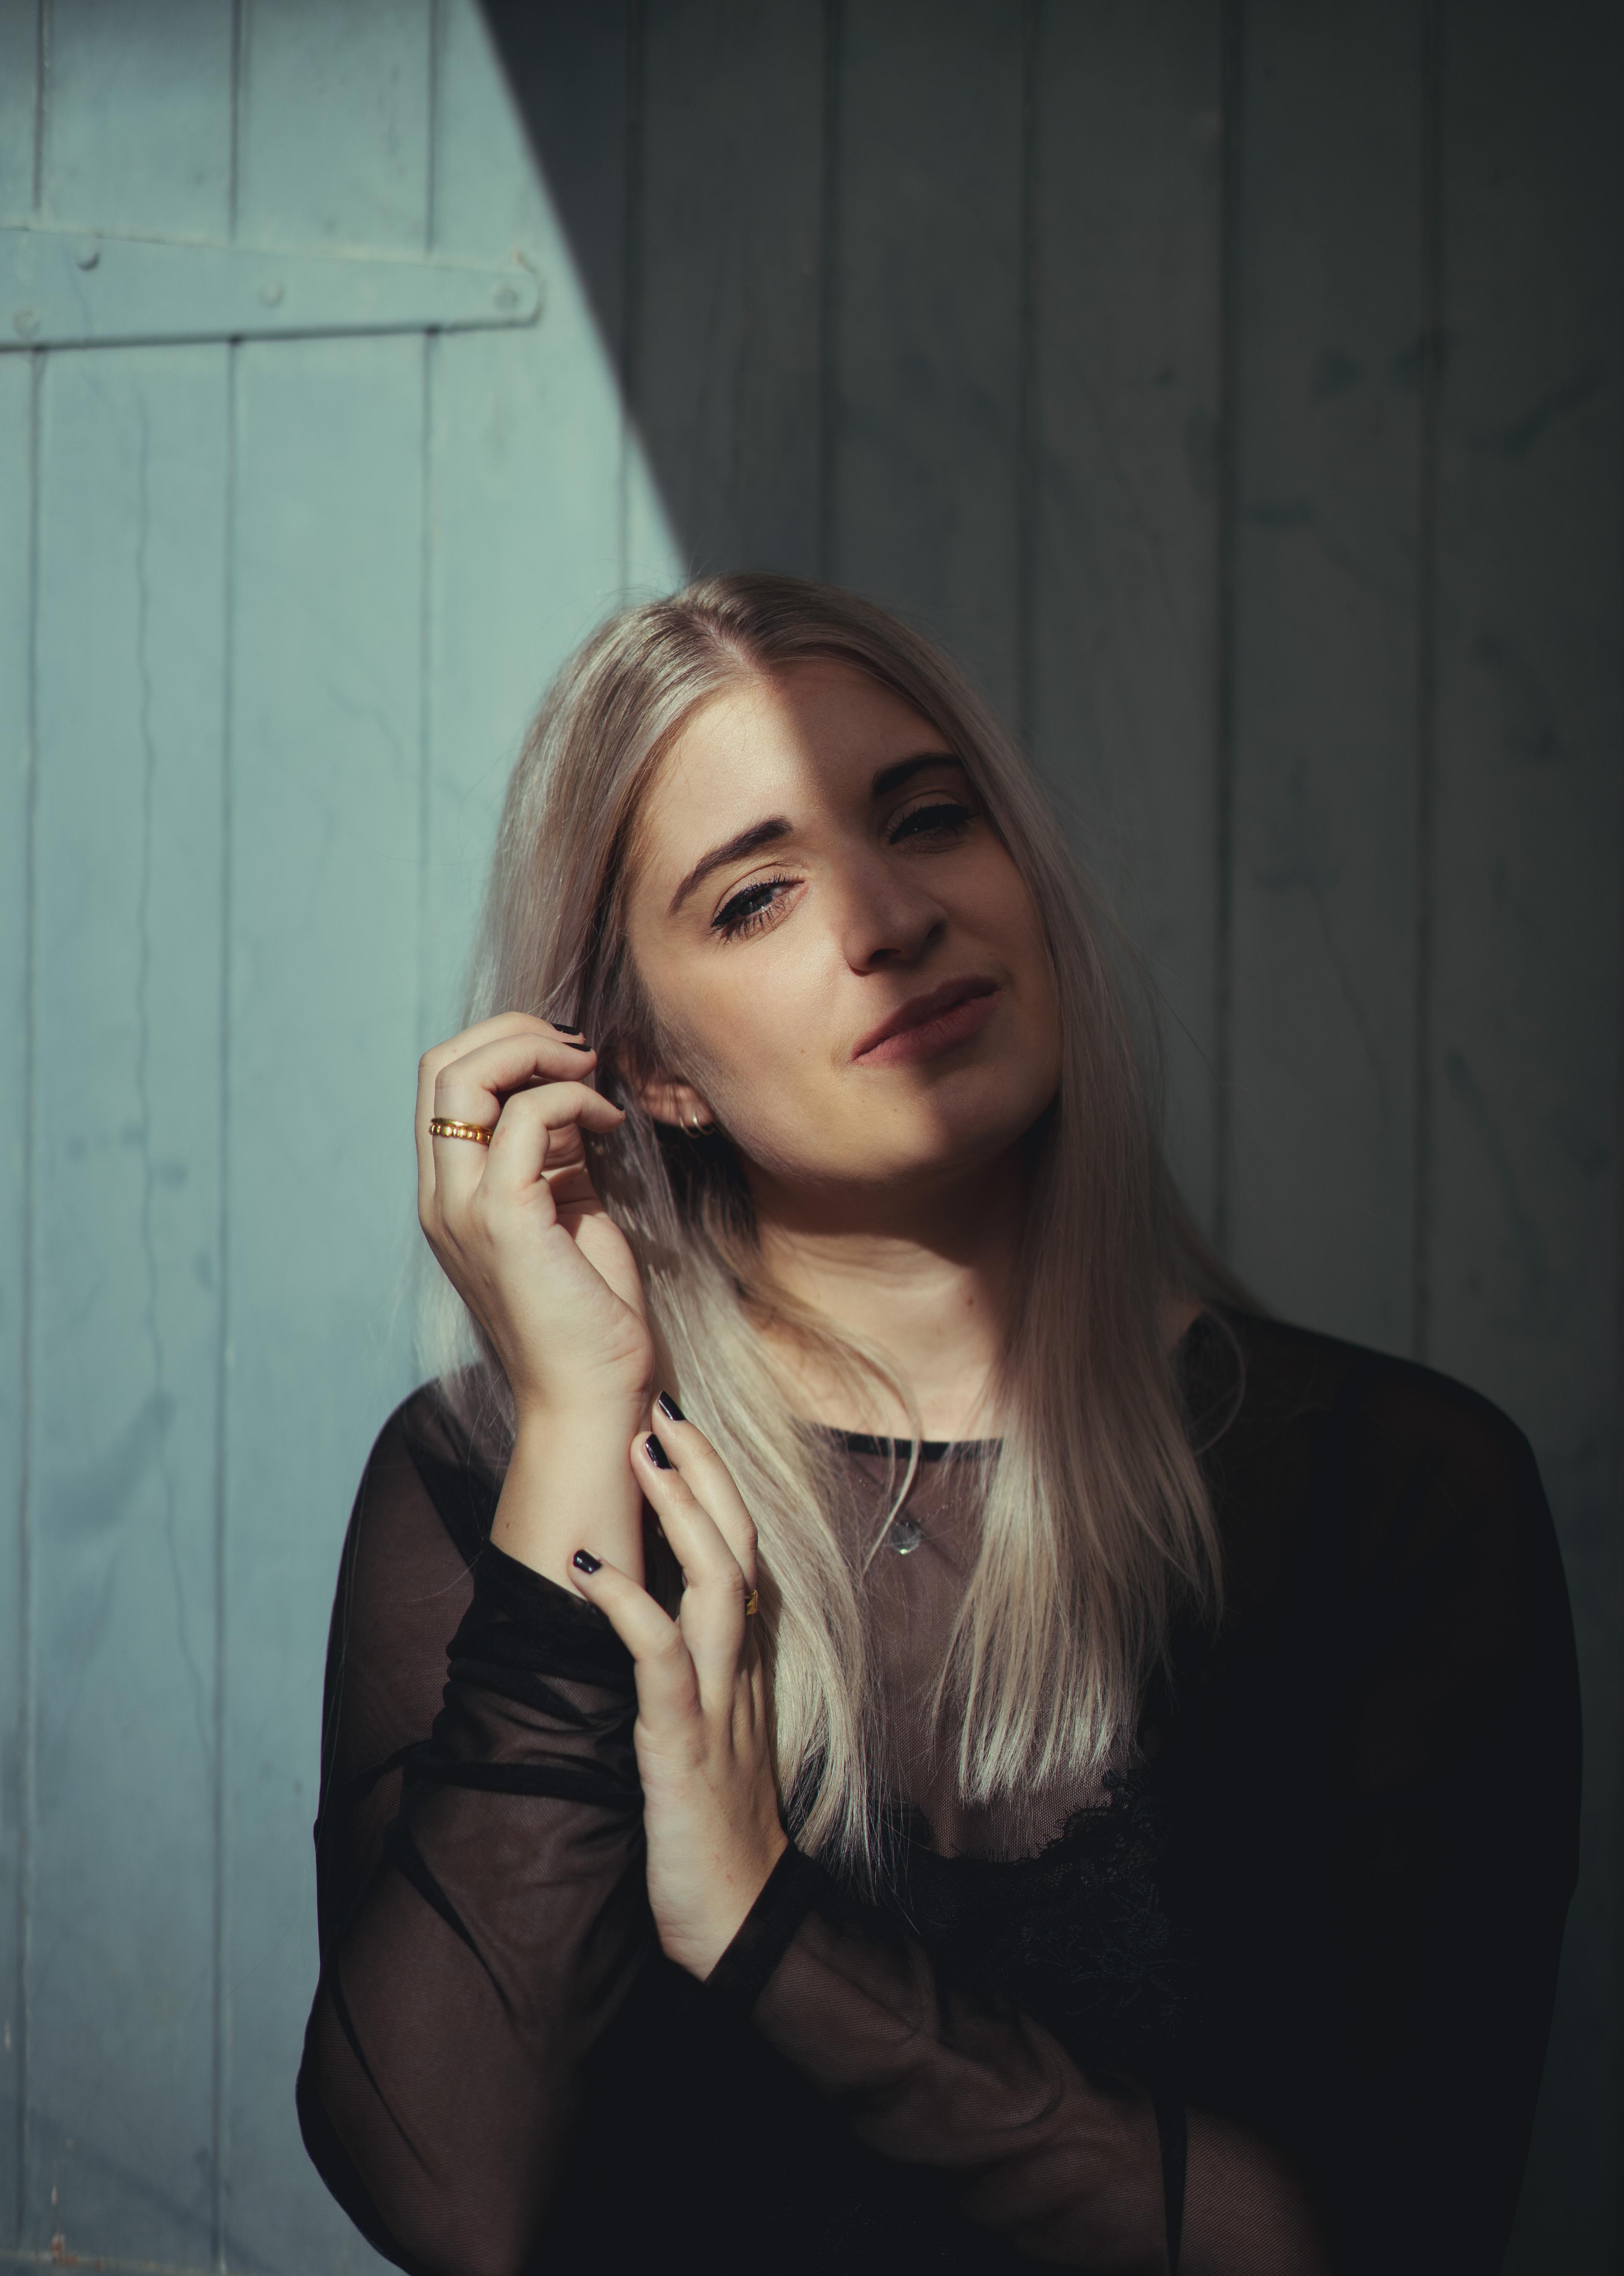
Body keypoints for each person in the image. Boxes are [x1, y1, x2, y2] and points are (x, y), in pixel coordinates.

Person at [296, 575, 1579, 2276]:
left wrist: (765, 1924)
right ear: (649, 1067)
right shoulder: (485, 1480)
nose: (890, 915)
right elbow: (451, 2199)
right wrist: (584, 1414)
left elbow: (1377, 2234)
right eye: (755, 894)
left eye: (929, 818)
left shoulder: (1392, 1490)